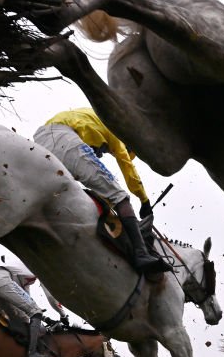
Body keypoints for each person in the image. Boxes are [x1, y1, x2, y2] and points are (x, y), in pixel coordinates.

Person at [33, 108, 171, 274]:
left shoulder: (93, 117)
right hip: (66, 139)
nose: (103, 153)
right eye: (105, 150)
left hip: (40, 141)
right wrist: (144, 201)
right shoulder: (118, 130)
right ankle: (141, 254)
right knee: (120, 197)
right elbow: (128, 169)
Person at [0, 264, 68, 357]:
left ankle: (11, 349)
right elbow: (51, 297)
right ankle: (32, 353)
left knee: (22, 319)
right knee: (35, 312)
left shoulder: (23, 277)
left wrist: (46, 319)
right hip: (2, 281)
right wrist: (63, 315)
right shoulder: (37, 267)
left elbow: (27, 303)